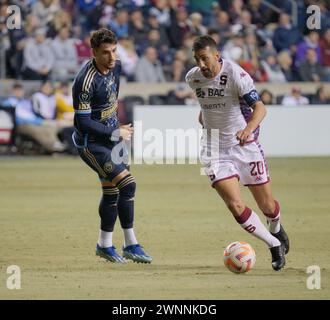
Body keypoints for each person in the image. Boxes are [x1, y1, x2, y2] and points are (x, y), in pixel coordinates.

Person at [185, 35, 289, 271]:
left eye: (205, 58)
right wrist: (207, 121)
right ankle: (273, 244)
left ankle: (276, 227)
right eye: (197, 59)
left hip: (244, 146)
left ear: (217, 55)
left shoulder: (236, 75)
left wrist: (248, 129)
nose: (201, 64)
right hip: (213, 149)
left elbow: (260, 108)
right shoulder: (193, 78)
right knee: (235, 204)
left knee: (268, 206)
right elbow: (206, 107)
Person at [72, 28, 152, 264]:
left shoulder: (115, 66)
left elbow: (111, 100)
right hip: (91, 144)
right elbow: (82, 122)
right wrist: (114, 130)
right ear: (94, 52)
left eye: (114, 51)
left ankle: (104, 245)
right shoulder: (84, 82)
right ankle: (131, 244)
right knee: (128, 185)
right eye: (105, 52)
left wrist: (115, 127)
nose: (112, 57)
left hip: (113, 138)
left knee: (112, 191)